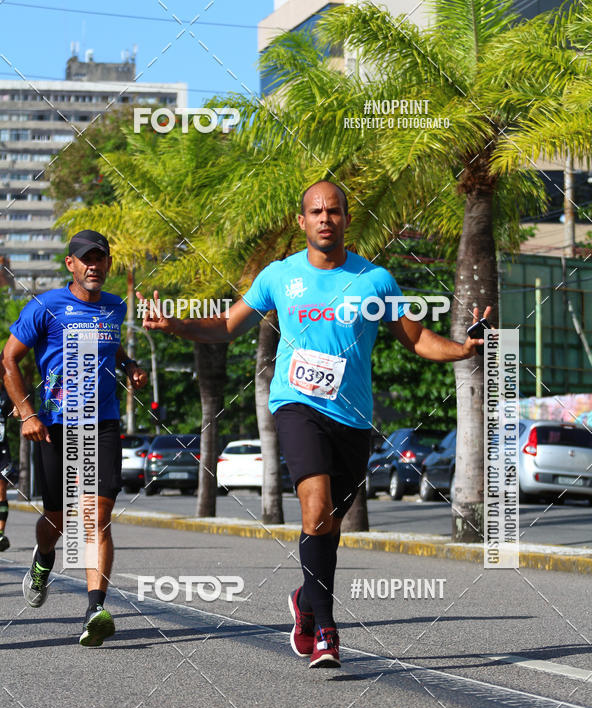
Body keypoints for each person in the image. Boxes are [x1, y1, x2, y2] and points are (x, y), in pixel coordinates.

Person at [140, 180, 489, 668]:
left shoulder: (375, 281)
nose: (326, 218)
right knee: (315, 511)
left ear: (347, 219)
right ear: (303, 221)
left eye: (335, 211)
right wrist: (177, 325)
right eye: (316, 211)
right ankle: (326, 629)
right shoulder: (280, 277)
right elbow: (224, 326)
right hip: (297, 405)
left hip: (353, 419)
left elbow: (416, 339)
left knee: (328, 526)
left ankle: (305, 602)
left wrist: (463, 348)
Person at [0, 229, 147, 646]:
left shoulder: (114, 308)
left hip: (101, 422)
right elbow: (9, 358)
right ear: (71, 264)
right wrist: (26, 413)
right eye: (86, 259)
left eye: (101, 259)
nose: (94, 266)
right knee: (59, 521)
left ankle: (95, 608)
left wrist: (130, 364)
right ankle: (44, 559)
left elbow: (111, 346)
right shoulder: (45, 307)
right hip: (55, 424)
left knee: (96, 518)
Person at [0, 351, 16, 551]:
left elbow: (15, 410)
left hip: (0, 448)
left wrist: (17, 410)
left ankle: (0, 534)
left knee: (0, 489)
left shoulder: (7, 391)